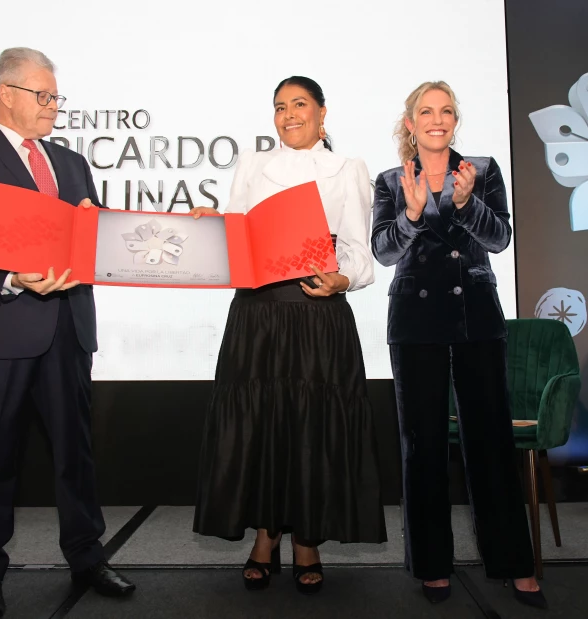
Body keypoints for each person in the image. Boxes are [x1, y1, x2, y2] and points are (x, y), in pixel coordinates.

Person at [0, 47, 134, 618]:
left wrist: (110, 230)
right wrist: (11, 276)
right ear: (7, 94)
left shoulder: (70, 163)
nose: (53, 106)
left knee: (76, 452)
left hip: (68, 327)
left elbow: (90, 238)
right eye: (43, 96)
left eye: (55, 96)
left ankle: (88, 557)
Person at [191, 76, 385, 595]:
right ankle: (264, 536)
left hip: (317, 316)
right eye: (280, 107)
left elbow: (359, 251)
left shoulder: (349, 169)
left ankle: (307, 541)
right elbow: (236, 235)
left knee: (310, 428)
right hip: (258, 316)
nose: (289, 114)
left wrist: (344, 279)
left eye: (300, 104)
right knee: (260, 426)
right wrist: (213, 227)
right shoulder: (253, 165)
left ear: (324, 114)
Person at [371, 81, 548, 609]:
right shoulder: (389, 180)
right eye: (426, 111)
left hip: (476, 313)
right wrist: (411, 214)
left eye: (446, 111)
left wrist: (467, 204)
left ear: (455, 121)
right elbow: (382, 251)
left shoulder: (484, 171)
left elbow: (499, 239)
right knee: (422, 444)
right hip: (415, 316)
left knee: (491, 442)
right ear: (411, 123)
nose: (437, 119)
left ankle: (515, 563)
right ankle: (431, 564)